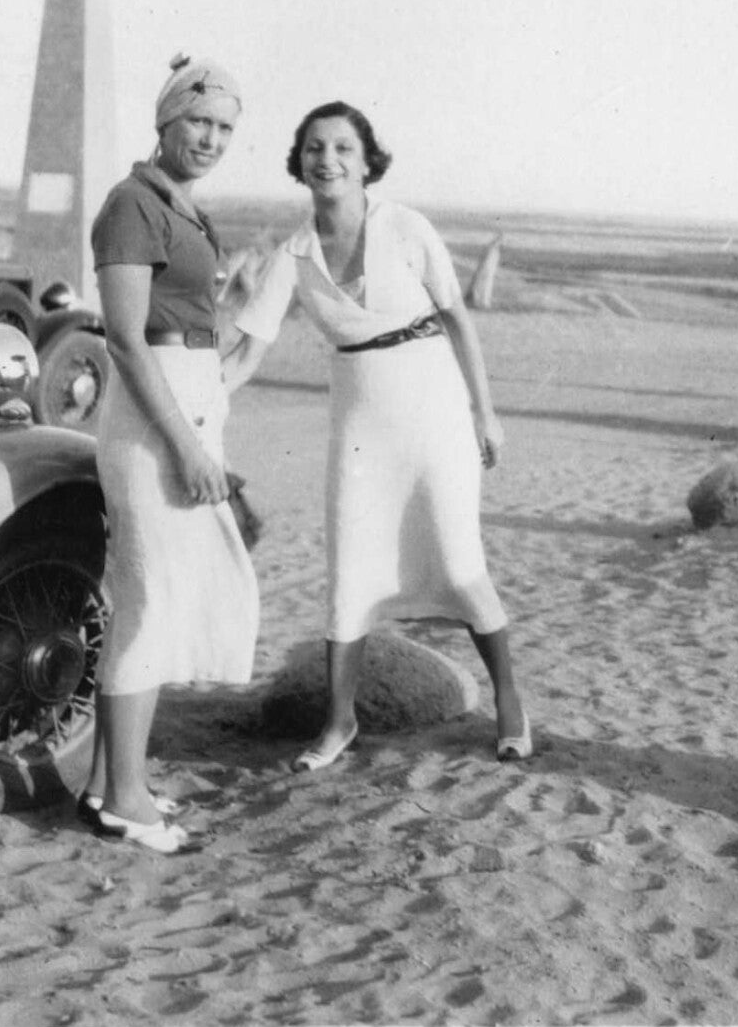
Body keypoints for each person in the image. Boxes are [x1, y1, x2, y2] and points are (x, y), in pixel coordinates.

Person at [226, 100, 529, 771]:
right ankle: (339, 722)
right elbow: (246, 353)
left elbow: (457, 319)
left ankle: (509, 701)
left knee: (457, 561)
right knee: (350, 571)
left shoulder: (407, 227)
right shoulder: (293, 255)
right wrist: (196, 396)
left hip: (435, 412)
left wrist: (484, 413)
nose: (326, 159)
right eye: (314, 148)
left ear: (367, 164)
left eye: (342, 148)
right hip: (360, 425)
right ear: (299, 163)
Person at [78, 53, 260, 854]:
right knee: (148, 607)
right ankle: (125, 800)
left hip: (183, 404)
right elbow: (124, 338)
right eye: (198, 122)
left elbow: (188, 321)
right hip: (151, 423)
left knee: (149, 603)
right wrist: (185, 447)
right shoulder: (132, 204)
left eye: (224, 128)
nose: (210, 139)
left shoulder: (183, 208)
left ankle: (105, 784)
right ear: (164, 119)